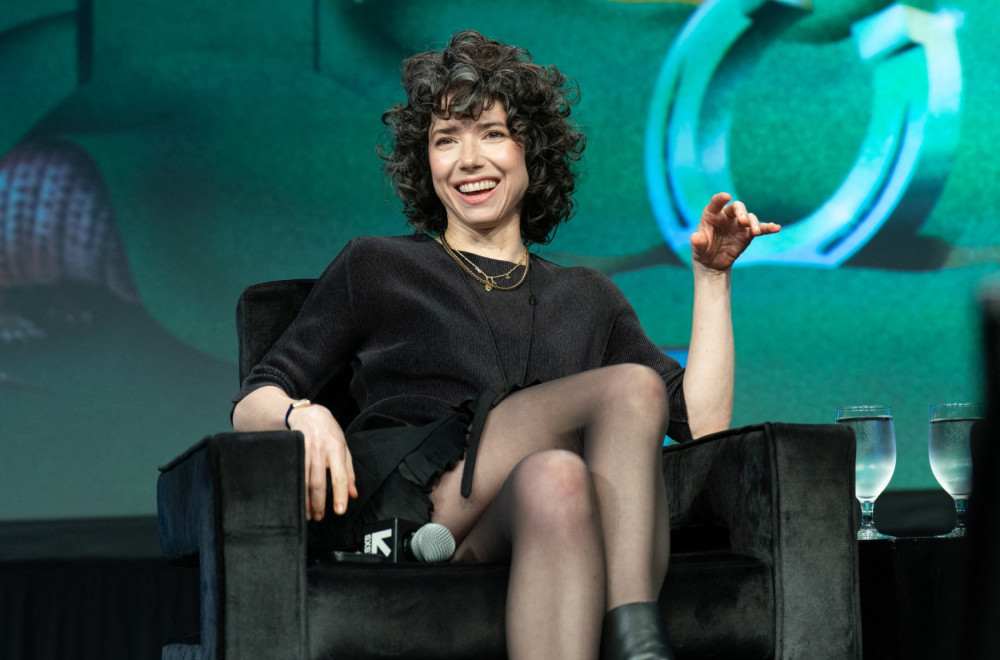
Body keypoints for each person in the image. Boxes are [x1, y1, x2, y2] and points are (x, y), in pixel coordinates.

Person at [232, 30, 779, 660]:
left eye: (491, 133)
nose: (468, 159)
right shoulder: (377, 265)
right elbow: (253, 401)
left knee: (559, 476)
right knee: (631, 385)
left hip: (498, 527)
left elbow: (702, 424)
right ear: (425, 162)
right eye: (446, 139)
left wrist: (711, 280)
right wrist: (302, 414)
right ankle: (640, 645)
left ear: (531, 151)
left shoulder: (587, 297)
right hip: (414, 509)